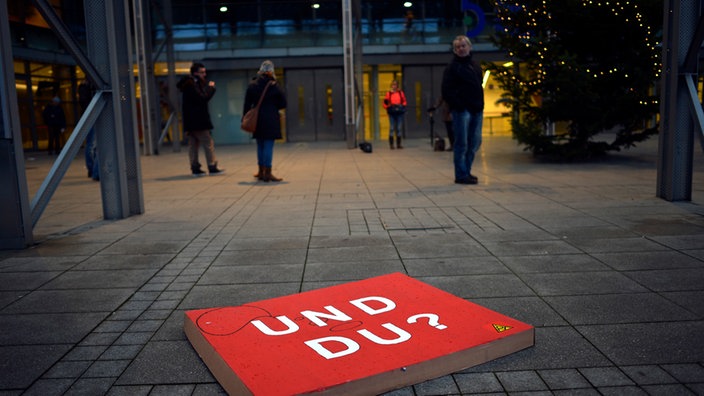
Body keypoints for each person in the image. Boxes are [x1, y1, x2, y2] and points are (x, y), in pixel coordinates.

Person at [441, 35, 484, 184]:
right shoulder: (452, 68)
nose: (461, 48)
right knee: (462, 143)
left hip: (476, 110)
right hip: (461, 111)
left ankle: (466, 170)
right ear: (455, 50)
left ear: (469, 47)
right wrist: (458, 105)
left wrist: (480, 105)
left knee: (475, 142)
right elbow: (446, 90)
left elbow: (479, 87)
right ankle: (461, 175)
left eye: (463, 45)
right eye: (458, 47)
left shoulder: (475, 66)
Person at [177, 62, 224, 176]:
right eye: (202, 72)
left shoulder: (188, 85)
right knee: (208, 142)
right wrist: (211, 88)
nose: (204, 74)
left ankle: (195, 167)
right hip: (199, 121)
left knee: (193, 144)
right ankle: (212, 166)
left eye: (205, 72)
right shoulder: (193, 84)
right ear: (195, 73)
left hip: (191, 121)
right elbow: (202, 98)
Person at [243, 60, 287, 182]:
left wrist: (245, 118)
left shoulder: (253, 85)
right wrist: (274, 106)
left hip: (257, 119)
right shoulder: (274, 85)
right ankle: (268, 172)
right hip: (271, 118)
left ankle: (261, 171)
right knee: (268, 145)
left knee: (260, 144)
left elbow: (247, 103)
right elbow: (283, 103)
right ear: (271, 71)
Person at [78, 81, 99, 180]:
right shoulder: (88, 88)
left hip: (90, 117)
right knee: (93, 145)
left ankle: (93, 169)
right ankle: (94, 170)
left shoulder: (85, 88)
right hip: (93, 117)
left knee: (92, 145)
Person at [383, 80, 407, 149]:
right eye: (393, 85)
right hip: (392, 113)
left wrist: (401, 105)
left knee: (399, 128)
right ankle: (391, 145)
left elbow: (404, 101)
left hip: (399, 112)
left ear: (397, 86)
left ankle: (398, 144)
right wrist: (388, 106)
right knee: (392, 128)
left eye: (395, 85)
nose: (394, 86)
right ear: (391, 85)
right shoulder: (389, 94)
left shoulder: (400, 93)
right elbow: (385, 102)